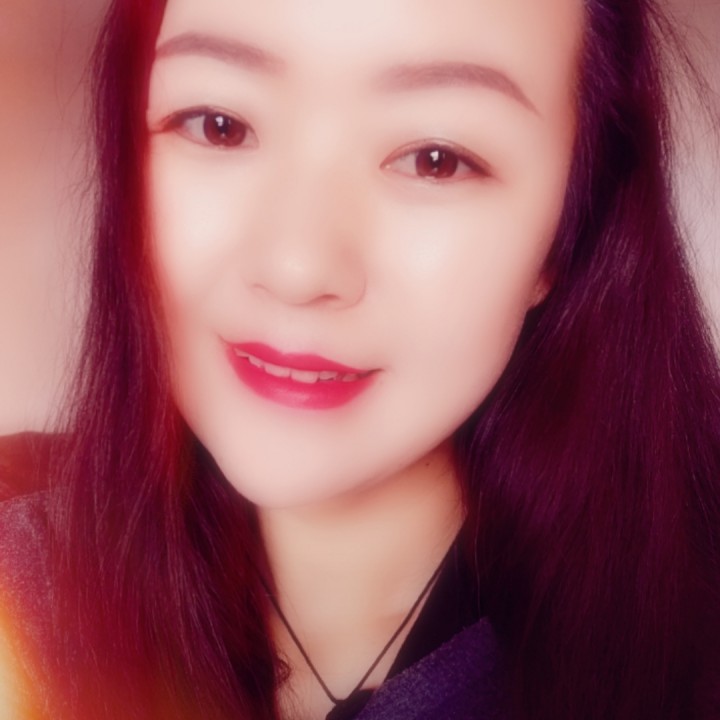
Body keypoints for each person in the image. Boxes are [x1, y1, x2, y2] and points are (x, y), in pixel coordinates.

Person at [1, 0, 720, 718]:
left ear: (571, 227)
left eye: (435, 160)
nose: (297, 268)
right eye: (220, 125)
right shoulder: (22, 591)